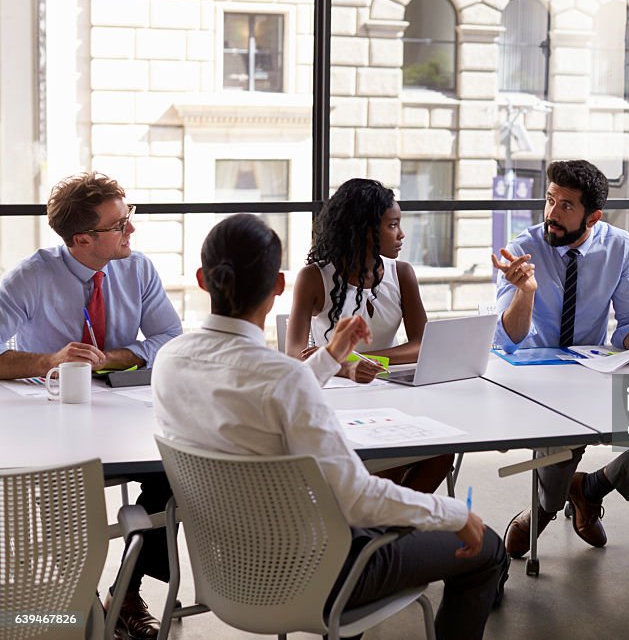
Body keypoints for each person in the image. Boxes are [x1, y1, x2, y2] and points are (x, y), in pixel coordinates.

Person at [153, 214, 508, 639]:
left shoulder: (171, 359)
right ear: (279, 286)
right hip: (318, 574)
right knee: (487, 549)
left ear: (201, 279)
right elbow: (357, 499)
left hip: (227, 571)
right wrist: (455, 513)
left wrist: (331, 355)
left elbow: (276, 392)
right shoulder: (282, 378)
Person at [0, 172, 183, 639]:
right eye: (119, 224)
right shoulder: (32, 276)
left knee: (173, 472)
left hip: (124, 414)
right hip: (52, 420)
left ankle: (125, 593)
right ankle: (76, 603)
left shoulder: (137, 268)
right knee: (65, 495)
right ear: (82, 239)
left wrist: (116, 357)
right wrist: (50, 359)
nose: (131, 231)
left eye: (129, 218)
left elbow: (171, 338)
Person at [492, 159, 629, 558]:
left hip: (592, 368)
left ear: (593, 215)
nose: (552, 215)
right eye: (549, 200)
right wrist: (525, 291)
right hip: (534, 373)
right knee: (564, 433)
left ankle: (591, 486)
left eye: (566, 206)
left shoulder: (619, 247)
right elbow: (509, 339)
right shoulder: (524, 248)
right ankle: (544, 510)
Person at [287, 178, 453, 494]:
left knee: (442, 454)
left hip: (391, 394)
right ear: (365, 230)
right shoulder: (313, 277)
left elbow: (423, 345)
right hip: (335, 397)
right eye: (392, 225)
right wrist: (344, 366)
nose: (402, 234)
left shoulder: (401, 273)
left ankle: (389, 531)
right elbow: (294, 357)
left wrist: (367, 360)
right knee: (392, 459)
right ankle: (381, 531)